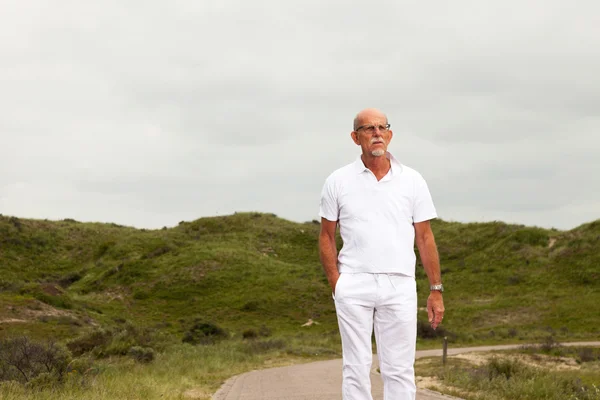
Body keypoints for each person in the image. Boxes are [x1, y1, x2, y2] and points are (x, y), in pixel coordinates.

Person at [318, 108, 445, 400]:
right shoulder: (338, 181)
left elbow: (424, 237)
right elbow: (326, 235)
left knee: (399, 369)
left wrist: (435, 289)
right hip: (353, 282)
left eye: (381, 127)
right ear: (355, 137)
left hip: (399, 284)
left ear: (389, 134)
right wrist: (337, 282)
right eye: (368, 128)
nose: (376, 133)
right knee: (356, 366)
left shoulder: (412, 180)